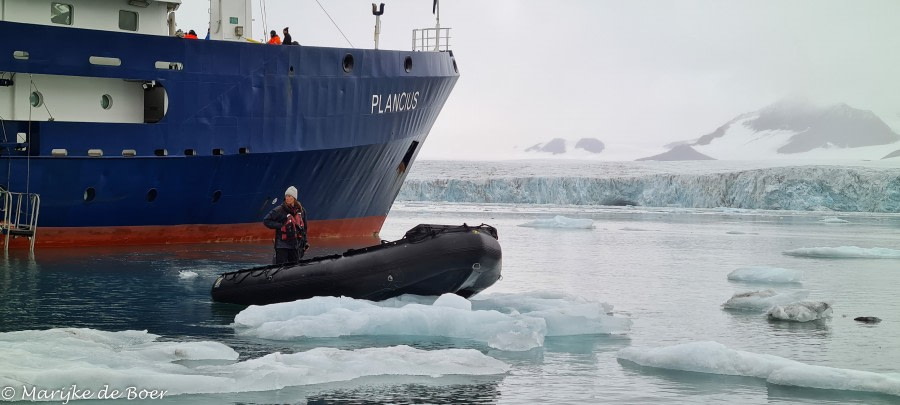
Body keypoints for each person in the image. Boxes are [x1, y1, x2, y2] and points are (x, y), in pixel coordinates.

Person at [263, 186, 308, 265]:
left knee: (294, 266)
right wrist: (281, 226)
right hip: (282, 245)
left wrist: (304, 243)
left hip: (295, 245)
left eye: (289, 196)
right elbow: (266, 220)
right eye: (286, 196)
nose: (287, 198)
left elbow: (304, 228)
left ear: (294, 197)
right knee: (281, 267)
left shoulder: (302, 211)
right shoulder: (279, 209)